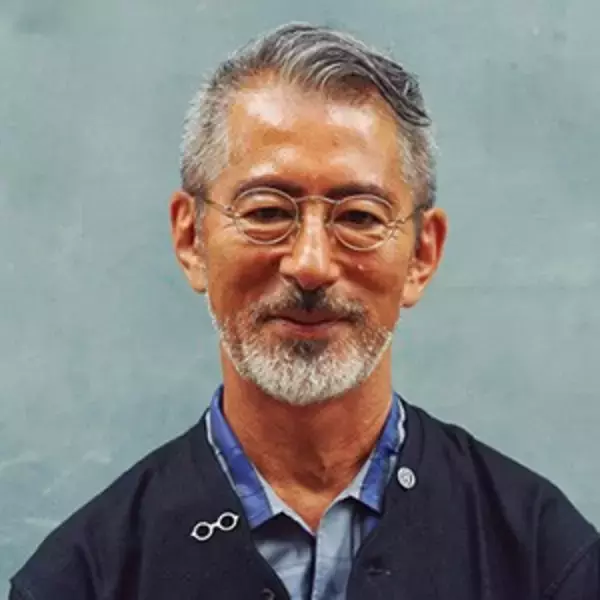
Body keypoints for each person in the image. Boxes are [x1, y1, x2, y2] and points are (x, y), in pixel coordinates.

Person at [10, 22, 599, 600]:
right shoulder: (80, 581)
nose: (310, 264)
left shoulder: (546, 562)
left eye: (359, 217)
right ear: (191, 240)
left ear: (422, 253)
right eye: (267, 212)